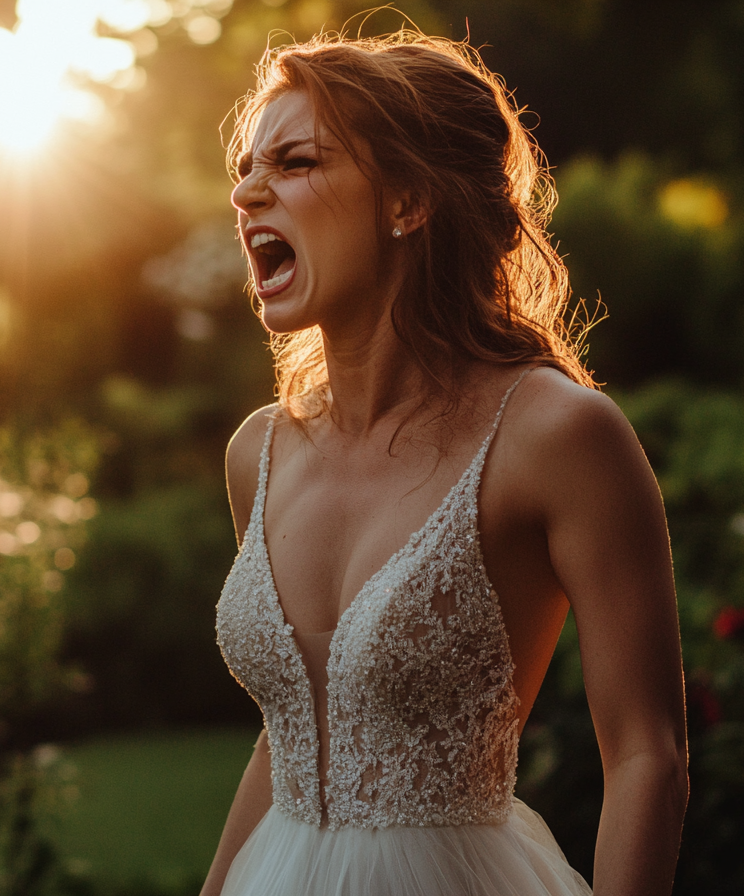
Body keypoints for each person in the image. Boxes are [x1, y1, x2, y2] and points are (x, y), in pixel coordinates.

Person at [205, 27, 687, 896]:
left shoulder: (558, 436)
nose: (246, 192)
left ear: (408, 201)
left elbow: (649, 754)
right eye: (246, 168)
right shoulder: (260, 452)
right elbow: (297, 734)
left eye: (295, 162)